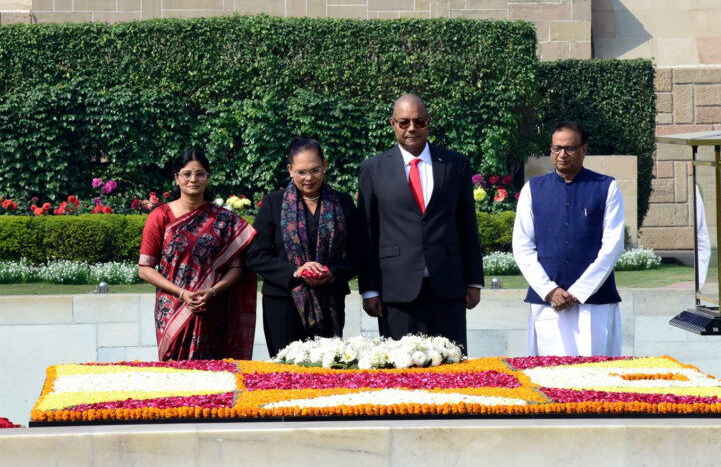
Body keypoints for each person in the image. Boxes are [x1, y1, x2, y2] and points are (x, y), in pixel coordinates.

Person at [357, 94, 484, 352]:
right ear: (393, 124)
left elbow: (467, 225)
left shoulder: (455, 164)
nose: (411, 128)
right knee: (401, 367)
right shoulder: (373, 169)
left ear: (429, 122)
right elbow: (367, 233)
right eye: (404, 122)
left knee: (452, 366)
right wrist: (369, 290)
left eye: (419, 121)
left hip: (447, 286)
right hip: (396, 290)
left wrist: (474, 280)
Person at [512, 121, 625, 357]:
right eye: (556, 148)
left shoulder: (607, 187)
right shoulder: (533, 189)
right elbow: (522, 246)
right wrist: (550, 290)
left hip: (594, 303)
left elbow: (613, 246)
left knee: (595, 371)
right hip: (547, 302)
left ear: (584, 150)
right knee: (548, 371)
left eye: (569, 148)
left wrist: (579, 292)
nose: (562, 154)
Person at [245, 138, 362, 357]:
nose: (309, 178)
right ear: (290, 170)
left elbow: (358, 254)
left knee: (326, 367)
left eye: (315, 170)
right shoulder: (273, 203)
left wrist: (332, 273)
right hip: (283, 303)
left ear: (325, 166)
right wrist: (295, 271)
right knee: (286, 370)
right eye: (301, 172)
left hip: (330, 301)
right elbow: (255, 255)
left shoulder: (342, 202)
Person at [138, 149, 257, 361]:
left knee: (215, 371)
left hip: (212, 307)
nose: (193, 179)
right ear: (177, 178)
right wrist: (182, 293)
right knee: (175, 371)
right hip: (173, 308)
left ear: (208, 178)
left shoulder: (225, 220)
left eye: (200, 174)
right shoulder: (160, 216)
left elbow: (237, 269)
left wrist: (212, 291)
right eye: (187, 174)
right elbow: (145, 269)